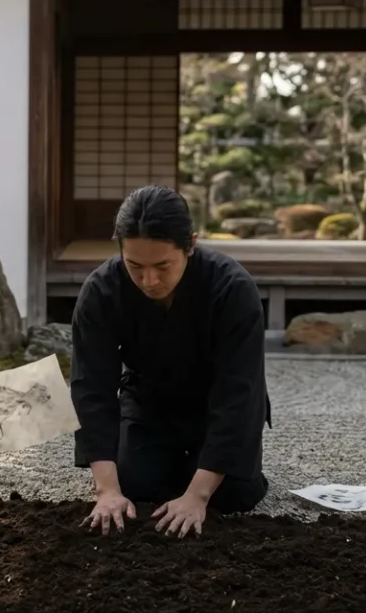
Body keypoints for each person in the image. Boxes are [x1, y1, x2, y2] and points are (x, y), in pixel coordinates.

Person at [70, 185, 272, 539]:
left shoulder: (232, 289)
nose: (149, 281)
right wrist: (107, 490)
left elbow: (239, 391)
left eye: (162, 266)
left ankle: (201, 471)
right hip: (149, 400)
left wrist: (197, 496)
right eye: (135, 266)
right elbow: (91, 387)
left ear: (190, 245)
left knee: (234, 495)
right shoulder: (102, 291)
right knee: (133, 484)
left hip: (215, 403)